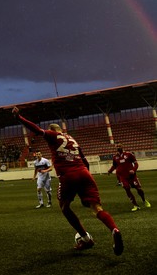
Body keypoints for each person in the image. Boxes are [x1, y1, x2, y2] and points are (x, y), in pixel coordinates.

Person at [13, 106, 123, 255]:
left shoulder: (52, 135)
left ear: (52, 130)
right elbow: (86, 163)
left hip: (68, 176)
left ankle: (85, 238)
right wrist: (85, 183)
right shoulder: (72, 139)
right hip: (84, 174)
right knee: (97, 208)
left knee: (65, 207)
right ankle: (114, 229)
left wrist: (19, 118)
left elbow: (38, 131)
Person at [107, 144, 151, 211]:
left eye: (119, 146)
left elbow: (136, 163)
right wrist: (110, 171)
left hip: (132, 176)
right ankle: (135, 205)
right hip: (122, 177)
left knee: (138, 189)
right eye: (117, 147)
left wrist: (133, 170)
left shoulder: (129, 154)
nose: (118, 148)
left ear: (122, 147)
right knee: (127, 188)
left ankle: (144, 200)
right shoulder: (115, 157)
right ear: (115, 148)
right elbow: (114, 166)